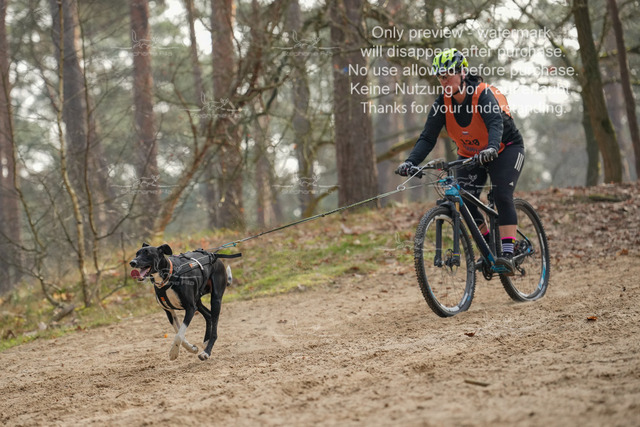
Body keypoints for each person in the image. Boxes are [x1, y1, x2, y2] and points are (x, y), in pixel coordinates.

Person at [395, 48, 525, 274]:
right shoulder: (442, 104)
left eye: (448, 75)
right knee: (465, 199)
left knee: (502, 195)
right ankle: (489, 245)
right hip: (470, 155)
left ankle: (507, 253)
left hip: (506, 148)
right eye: (440, 77)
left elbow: (495, 123)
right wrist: (410, 161)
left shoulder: (482, 94)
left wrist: (492, 147)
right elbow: (427, 137)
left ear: (462, 73)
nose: (444, 81)